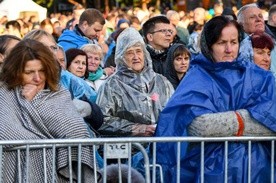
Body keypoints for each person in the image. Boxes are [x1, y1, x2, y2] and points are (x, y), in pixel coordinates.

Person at [155, 16, 276, 182]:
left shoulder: (259, 76)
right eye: (221, 43)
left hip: (258, 168)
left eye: (234, 42)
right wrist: (250, 119)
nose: (229, 49)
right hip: (209, 168)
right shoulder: (197, 78)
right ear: (208, 46)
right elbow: (200, 125)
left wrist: (230, 123)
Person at [0, 39, 99, 182]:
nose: (37, 78)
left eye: (42, 71)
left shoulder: (58, 93)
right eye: (29, 72)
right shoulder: (4, 94)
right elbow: (6, 133)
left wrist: (36, 100)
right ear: (16, 72)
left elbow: (77, 131)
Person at [96, 27, 174, 137]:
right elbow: (101, 119)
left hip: (161, 147)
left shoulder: (161, 82)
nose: (136, 57)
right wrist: (137, 129)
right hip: (128, 150)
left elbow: (174, 111)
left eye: (138, 51)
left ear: (145, 54)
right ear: (121, 57)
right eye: (130, 53)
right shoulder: (111, 85)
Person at [237, 3, 276, 73]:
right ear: (241, 24)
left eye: (260, 16)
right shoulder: (236, 46)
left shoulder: (273, 42)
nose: (258, 19)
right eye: (252, 17)